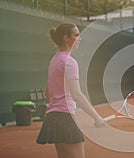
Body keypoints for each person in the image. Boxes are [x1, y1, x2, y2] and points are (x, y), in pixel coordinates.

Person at [36, 23, 104, 158]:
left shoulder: (54, 60)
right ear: (66, 38)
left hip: (53, 117)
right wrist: (97, 117)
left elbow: (48, 92)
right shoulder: (69, 62)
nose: (80, 38)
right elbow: (77, 95)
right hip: (65, 119)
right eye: (76, 35)